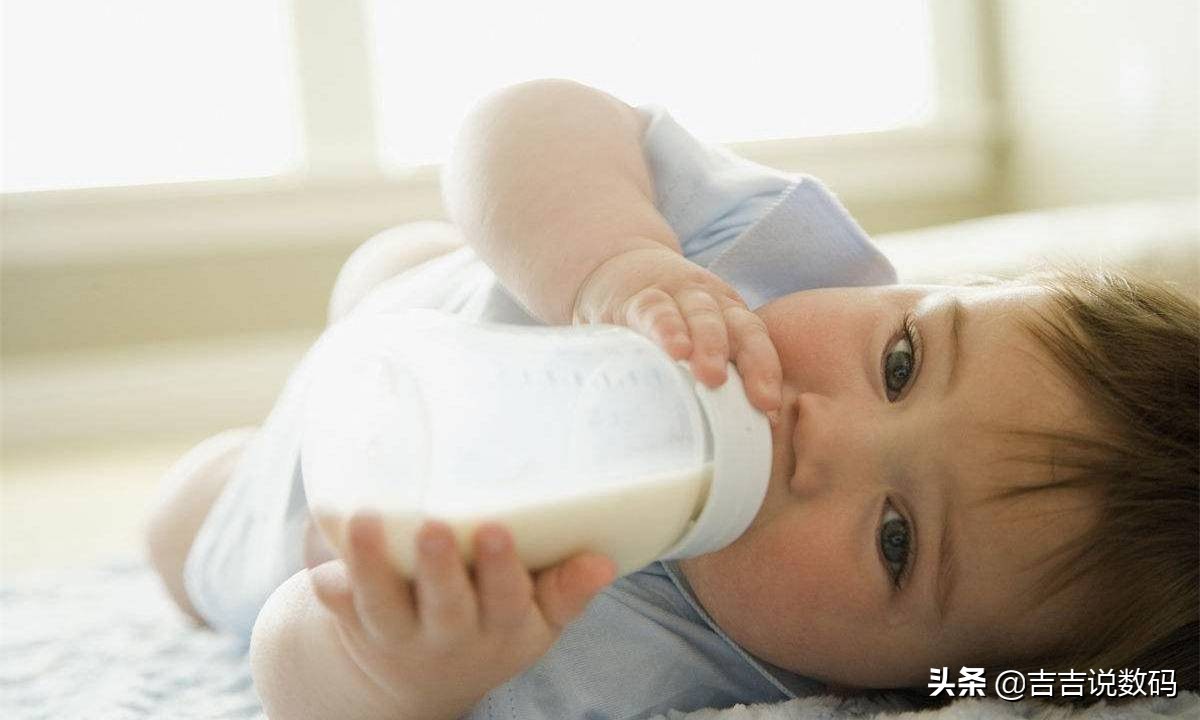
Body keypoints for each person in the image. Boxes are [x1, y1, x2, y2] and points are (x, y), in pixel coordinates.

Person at [144, 79, 1199, 719]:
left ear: (904, 685)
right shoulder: (759, 257)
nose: (815, 429)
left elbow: (290, 667)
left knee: (177, 538)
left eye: (894, 540)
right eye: (902, 364)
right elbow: (528, 119)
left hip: (303, 497)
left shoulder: (632, 674)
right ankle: (380, 294)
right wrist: (613, 262)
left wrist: (391, 667)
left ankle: (222, 478)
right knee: (409, 255)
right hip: (435, 309)